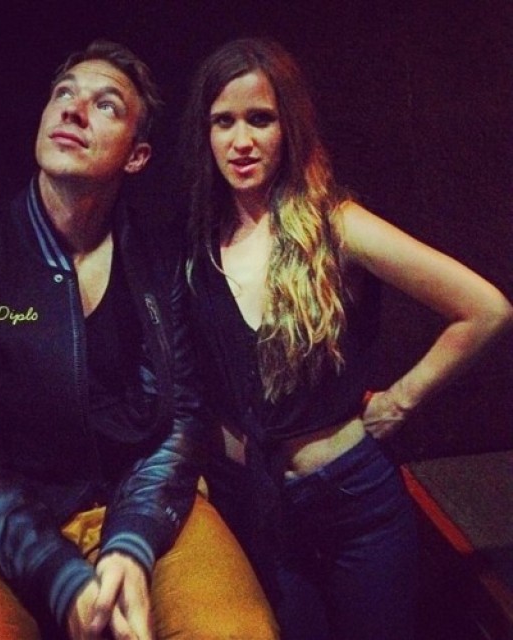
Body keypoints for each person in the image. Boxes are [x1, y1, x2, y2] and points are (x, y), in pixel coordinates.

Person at [0, 39, 279, 640]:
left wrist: (132, 541)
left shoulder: (159, 261)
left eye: (106, 105)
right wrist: (58, 575)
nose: (73, 110)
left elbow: (183, 417)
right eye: (64, 94)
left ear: (137, 155)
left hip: (141, 501)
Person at [181, 37, 513, 640]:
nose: (241, 140)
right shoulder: (201, 242)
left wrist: (401, 400)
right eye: (223, 121)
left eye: (260, 119)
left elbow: (485, 310)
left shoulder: (336, 223)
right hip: (257, 510)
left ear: (290, 126)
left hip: (353, 506)